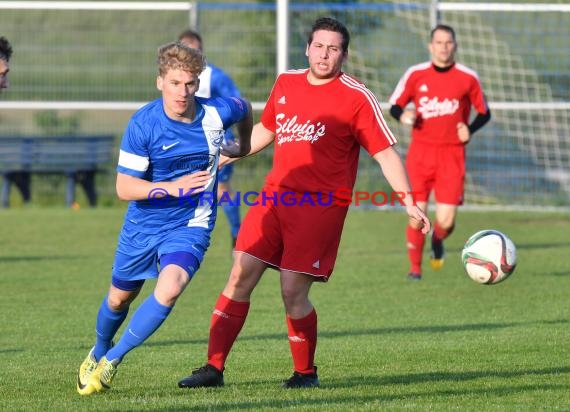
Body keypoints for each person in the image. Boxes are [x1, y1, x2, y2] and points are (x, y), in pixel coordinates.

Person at [177, 17, 430, 390]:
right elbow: (268, 129)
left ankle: (305, 373)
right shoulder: (287, 82)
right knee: (239, 274)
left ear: (344, 54)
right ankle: (213, 368)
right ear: (308, 48)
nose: (324, 54)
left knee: (292, 290)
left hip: (321, 206)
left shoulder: (356, 97)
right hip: (275, 196)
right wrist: (233, 152)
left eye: (333, 48)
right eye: (319, 46)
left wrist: (409, 202)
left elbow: (386, 154)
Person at [76, 41, 253, 395]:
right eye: (175, 83)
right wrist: (174, 187)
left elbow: (245, 107)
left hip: (192, 224)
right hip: (143, 226)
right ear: (160, 82)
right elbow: (125, 188)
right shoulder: (143, 124)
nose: (182, 92)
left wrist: (242, 146)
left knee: (170, 289)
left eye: (190, 84)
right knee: (118, 299)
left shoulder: (217, 113)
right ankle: (98, 350)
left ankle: (112, 361)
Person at [388, 24, 491, 281]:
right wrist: (404, 116)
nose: (443, 47)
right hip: (420, 154)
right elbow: (395, 106)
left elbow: (485, 112)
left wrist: (470, 128)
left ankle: (437, 239)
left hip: (452, 155)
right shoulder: (416, 74)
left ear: (455, 45)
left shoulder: (467, 77)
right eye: (439, 42)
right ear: (430, 46)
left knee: (445, 220)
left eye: (448, 42)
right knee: (416, 216)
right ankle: (415, 269)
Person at [178, 29, 243, 250]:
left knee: (222, 189)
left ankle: (238, 234)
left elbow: (237, 104)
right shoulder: (176, 80)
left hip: (218, 142)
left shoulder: (214, 76)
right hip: (188, 143)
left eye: (194, 52)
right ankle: (183, 235)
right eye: (185, 52)